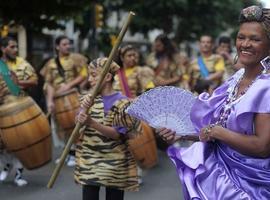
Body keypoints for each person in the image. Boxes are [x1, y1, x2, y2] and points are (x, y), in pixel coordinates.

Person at [158, 5, 270, 199]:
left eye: (255, 39)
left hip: (248, 188)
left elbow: (262, 147)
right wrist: (181, 133)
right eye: (241, 37)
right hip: (216, 177)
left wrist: (218, 132)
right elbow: (214, 126)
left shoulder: (266, 87)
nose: (245, 44)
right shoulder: (236, 79)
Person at [75, 58, 141, 200]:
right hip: (90, 159)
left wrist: (91, 122)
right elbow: (77, 125)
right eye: (89, 75)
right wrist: (83, 111)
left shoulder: (122, 102)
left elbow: (117, 134)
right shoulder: (88, 99)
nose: (89, 79)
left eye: (93, 75)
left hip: (114, 161)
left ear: (107, 77)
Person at [43, 35, 87, 166]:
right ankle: (67, 153)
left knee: (75, 124)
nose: (68, 46)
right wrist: (49, 101)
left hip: (72, 95)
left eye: (68, 44)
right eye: (64, 44)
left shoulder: (76, 59)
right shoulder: (50, 63)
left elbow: (84, 75)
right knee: (60, 127)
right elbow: (49, 83)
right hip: (57, 99)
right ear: (57, 47)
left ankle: (76, 153)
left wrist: (69, 85)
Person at [0, 36, 38, 186]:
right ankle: (6, 165)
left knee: (18, 142)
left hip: (19, 109)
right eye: (12, 47)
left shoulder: (22, 63)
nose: (15, 50)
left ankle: (18, 174)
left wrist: (17, 83)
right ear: (3, 49)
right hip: (2, 109)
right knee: (2, 144)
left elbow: (34, 81)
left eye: (16, 47)